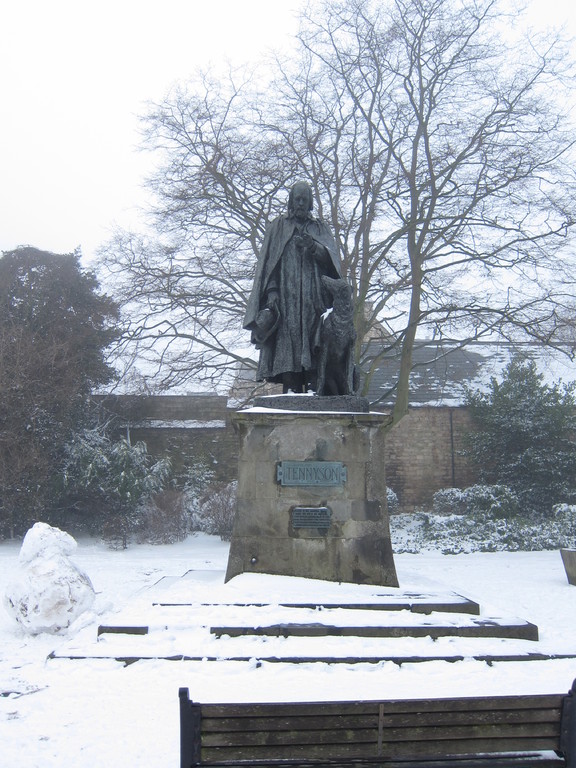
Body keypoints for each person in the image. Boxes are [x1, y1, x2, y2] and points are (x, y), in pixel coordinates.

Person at [244, 181, 341, 393]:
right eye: (296, 199)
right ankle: (291, 382)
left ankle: (315, 379)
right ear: (290, 200)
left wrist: (313, 246)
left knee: (312, 333)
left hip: (312, 295)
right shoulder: (278, 227)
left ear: (310, 203)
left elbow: (332, 261)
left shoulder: (319, 228)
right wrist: (272, 291)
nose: (299, 203)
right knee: (286, 337)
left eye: (303, 200)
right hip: (285, 297)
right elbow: (270, 264)